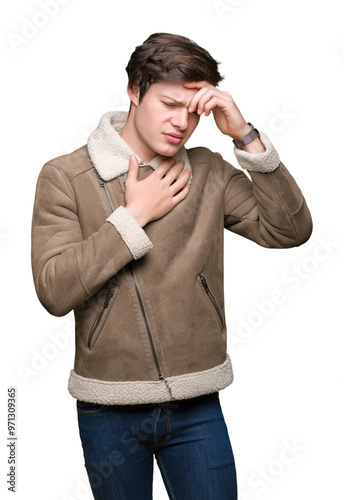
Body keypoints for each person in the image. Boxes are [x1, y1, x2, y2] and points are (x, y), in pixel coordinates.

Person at [31, 32, 312, 500]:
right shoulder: (66, 177)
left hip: (197, 402)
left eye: (194, 111)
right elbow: (53, 290)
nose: (181, 122)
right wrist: (134, 216)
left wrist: (244, 135)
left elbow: (289, 230)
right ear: (134, 90)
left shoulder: (207, 171)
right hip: (108, 408)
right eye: (168, 103)